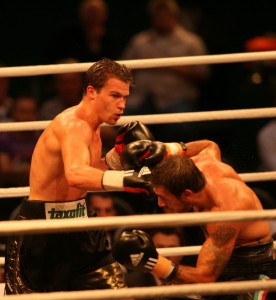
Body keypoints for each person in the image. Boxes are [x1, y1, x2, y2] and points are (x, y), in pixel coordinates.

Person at [4, 58, 156, 294]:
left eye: (125, 97)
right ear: (91, 92)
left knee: (116, 293)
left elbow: (90, 172)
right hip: (43, 232)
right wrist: (126, 180)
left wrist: (119, 160)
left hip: (81, 225)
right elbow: (75, 174)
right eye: (115, 95)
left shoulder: (93, 127)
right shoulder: (73, 125)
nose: (122, 105)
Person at [112, 139, 275, 299]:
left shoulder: (227, 214)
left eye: (164, 197)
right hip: (223, 258)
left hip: (250, 269)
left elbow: (205, 279)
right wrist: (167, 149)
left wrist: (153, 262)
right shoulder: (202, 166)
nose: (160, 204)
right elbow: (210, 145)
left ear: (187, 194)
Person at [121, 0, 209, 141]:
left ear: (174, 16)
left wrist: (169, 65)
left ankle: (178, 159)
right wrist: (140, 66)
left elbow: (202, 74)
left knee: (181, 127)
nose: (161, 20)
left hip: (176, 98)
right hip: (142, 97)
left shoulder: (192, 42)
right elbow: (122, 70)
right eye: (157, 16)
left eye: (165, 16)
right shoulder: (140, 41)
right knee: (118, 121)